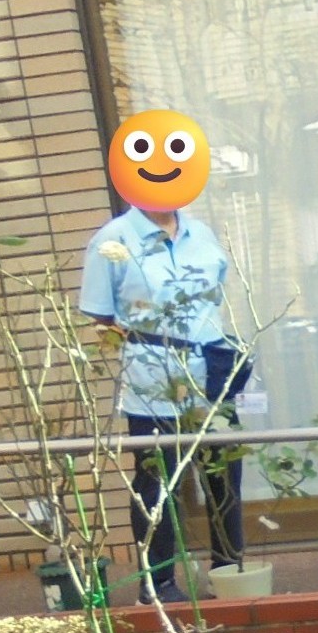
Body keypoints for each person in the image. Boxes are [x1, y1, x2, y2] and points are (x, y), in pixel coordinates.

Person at [80, 205, 243, 603]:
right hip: (152, 383)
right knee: (156, 483)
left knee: (224, 476)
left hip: (212, 377)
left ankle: (229, 575)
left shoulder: (202, 233)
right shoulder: (111, 240)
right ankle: (157, 585)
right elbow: (100, 317)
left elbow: (213, 302)